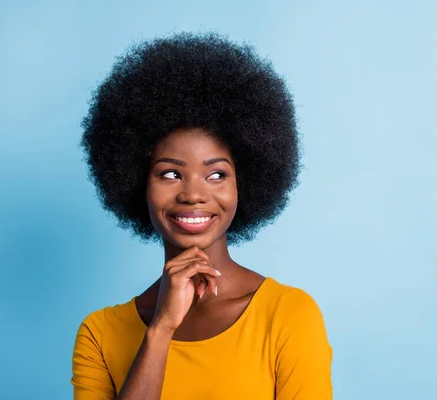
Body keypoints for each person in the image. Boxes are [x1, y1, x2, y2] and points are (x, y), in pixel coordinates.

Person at [71, 32, 332, 400]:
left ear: (244, 183)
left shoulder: (287, 315)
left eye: (216, 175)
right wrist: (161, 328)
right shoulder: (100, 334)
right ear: (137, 183)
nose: (193, 194)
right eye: (171, 173)